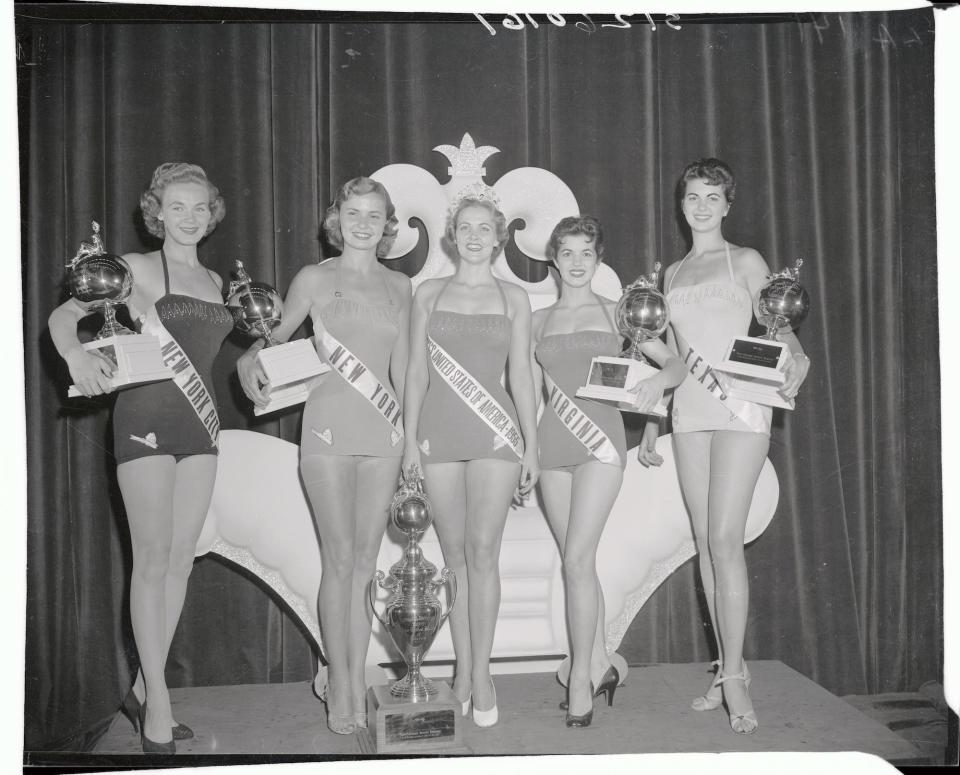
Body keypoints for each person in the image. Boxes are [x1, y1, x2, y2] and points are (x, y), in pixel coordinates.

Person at [49, 163, 233, 753]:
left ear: (212, 212)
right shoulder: (134, 269)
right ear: (157, 211)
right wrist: (75, 355)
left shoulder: (213, 279)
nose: (188, 217)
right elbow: (62, 316)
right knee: (152, 560)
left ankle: (142, 685)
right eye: (176, 206)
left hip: (202, 428)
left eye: (199, 207)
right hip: (146, 421)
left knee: (181, 559)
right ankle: (159, 697)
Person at [639, 158, 810, 734]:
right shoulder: (673, 273)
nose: (702, 205)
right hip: (689, 414)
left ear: (727, 204)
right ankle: (726, 667)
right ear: (681, 203)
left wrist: (799, 355)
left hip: (740, 409)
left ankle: (734, 677)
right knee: (705, 545)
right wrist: (647, 419)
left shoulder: (747, 261)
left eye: (713, 196)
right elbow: (666, 357)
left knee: (723, 539)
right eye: (693, 196)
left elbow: (777, 321)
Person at [237, 176, 411, 735]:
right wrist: (248, 362)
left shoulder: (401, 285)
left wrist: (411, 439)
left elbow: (406, 368)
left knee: (366, 562)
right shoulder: (314, 277)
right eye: (353, 212)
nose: (363, 222)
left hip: (384, 430)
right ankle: (339, 679)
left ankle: (357, 674)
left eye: (375, 214)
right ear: (338, 217)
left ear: (388, 223)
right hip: (328, 426)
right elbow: (277, 334)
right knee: (338, 558)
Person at [532, 215, 687, 727]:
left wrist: (655, 386)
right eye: (568, 253)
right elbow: (531, 395)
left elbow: (675, 364)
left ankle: (579, 676)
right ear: (554, 259)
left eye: (587, 253)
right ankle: (599, 663)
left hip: (601, 442)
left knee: (577, 560)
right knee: (579, 561)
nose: (577, 262)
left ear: (598, 261)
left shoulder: (618, 315)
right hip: (553, 445)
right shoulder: (537, 321)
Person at [401, 184, 539, 728]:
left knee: (484, 552)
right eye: (466, 228)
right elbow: (414, 372)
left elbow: (523, 375)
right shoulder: (429, 293)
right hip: (438, 432)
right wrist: (410, 440)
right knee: (452, 555)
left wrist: (530, 442)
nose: (476, 237)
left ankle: (481, 672)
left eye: (486, 228)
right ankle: (461, 670)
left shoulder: (514, 298)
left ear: (499, 238)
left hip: (495, 435)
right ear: (452, 238)